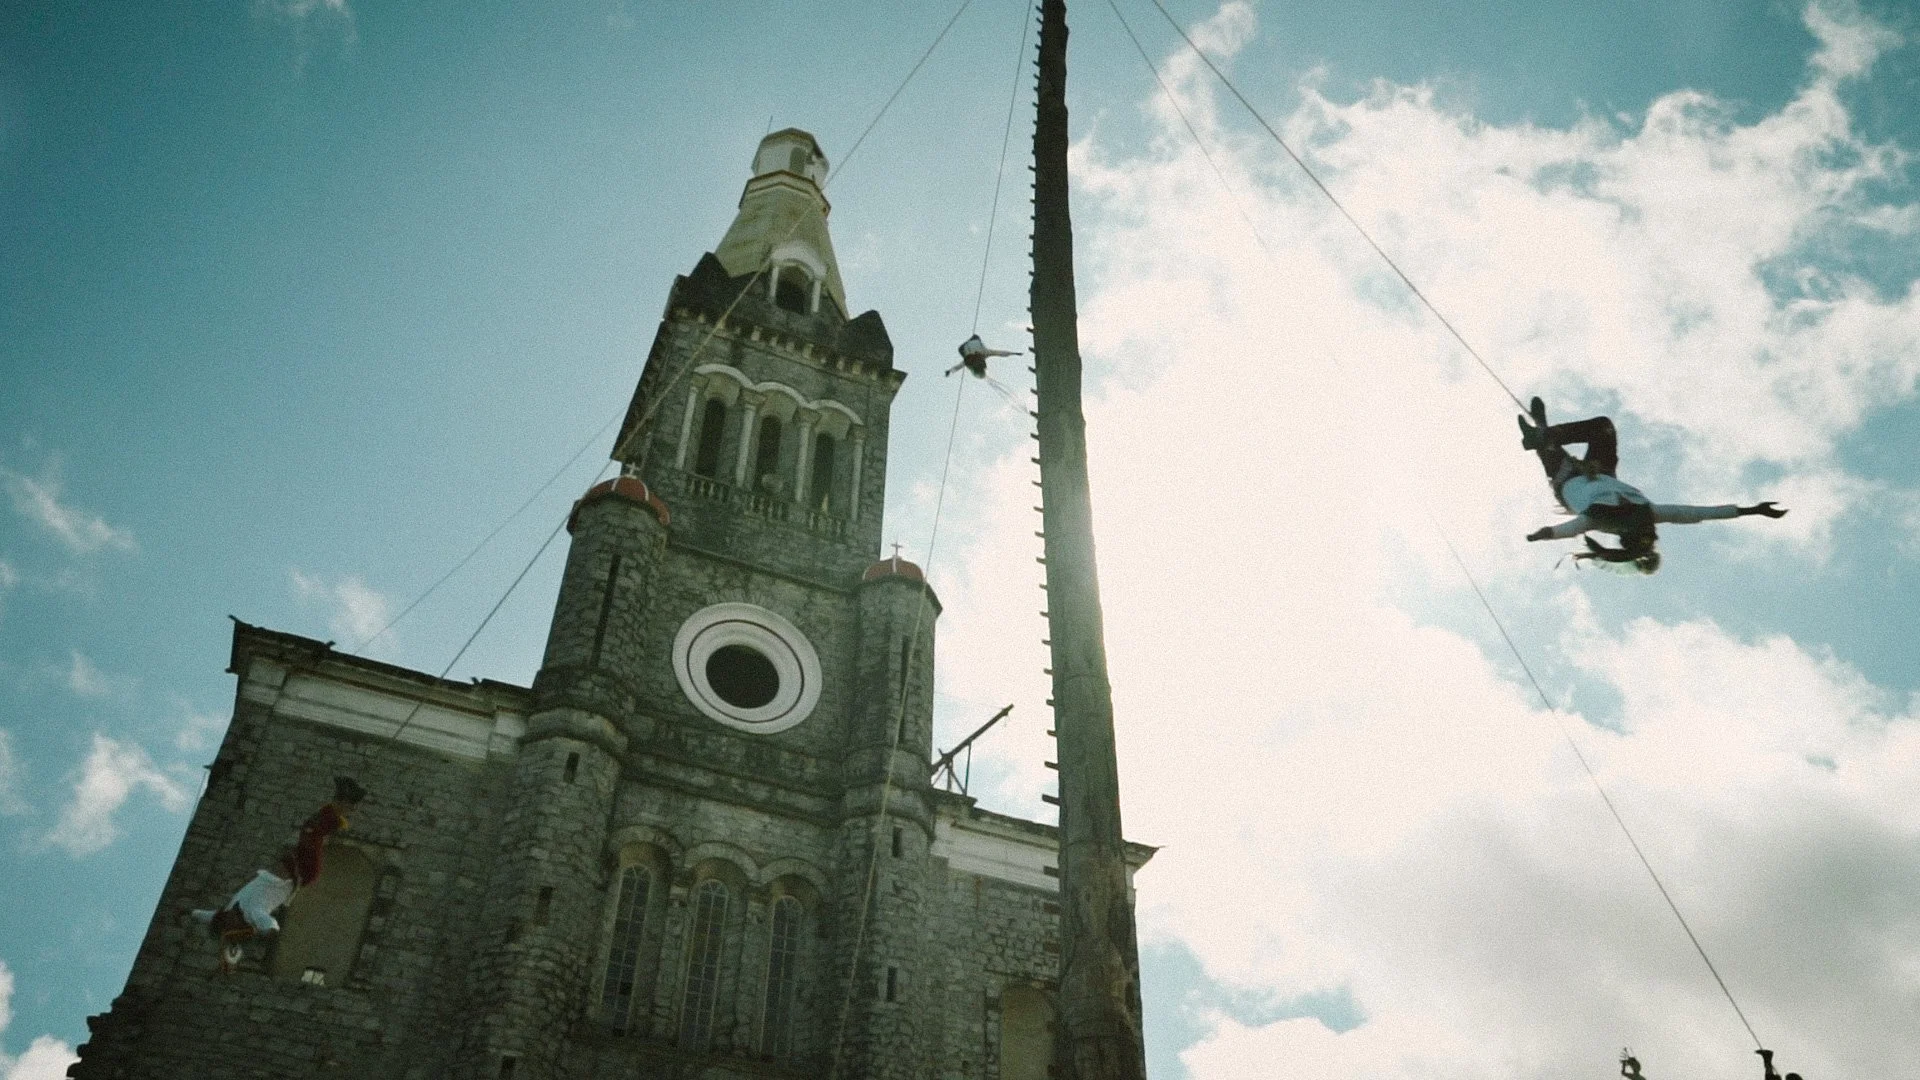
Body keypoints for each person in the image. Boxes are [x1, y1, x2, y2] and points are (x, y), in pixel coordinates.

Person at [1519, 397, 1786, 573]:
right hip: (1600, 472)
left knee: (1550, 451)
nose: (1650, 524)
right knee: (1604, 428)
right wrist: (1752, 510)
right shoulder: (1649, 512)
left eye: (1645, 530)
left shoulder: (1600, 519)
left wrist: (1544, 534)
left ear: (1629, 529)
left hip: (1567, 480)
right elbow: (1698, 513)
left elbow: (1571, 528)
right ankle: (1545, 433)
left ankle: (1543, 437)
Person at [191, 775, 367, 971]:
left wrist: (189, 912)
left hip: (290, 867)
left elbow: (204, 915)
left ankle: (345, 799)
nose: (228, 919)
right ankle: (346, 799)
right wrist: (261, 933)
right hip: (302, 871)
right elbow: (271, 926)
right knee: (311, 831)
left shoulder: (229, 911)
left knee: (311, 830)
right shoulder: (253, 914)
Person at [947, 334, 1019, 379]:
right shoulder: (985, 353)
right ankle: (973, 343)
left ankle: (973, 344)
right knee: (968, 359)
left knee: (968, 360)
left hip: (969, 344)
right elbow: (999, 353)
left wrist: (950, 371)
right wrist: (1013, 353)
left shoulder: (982, 354)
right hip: (972, 341)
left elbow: (1000, 353)